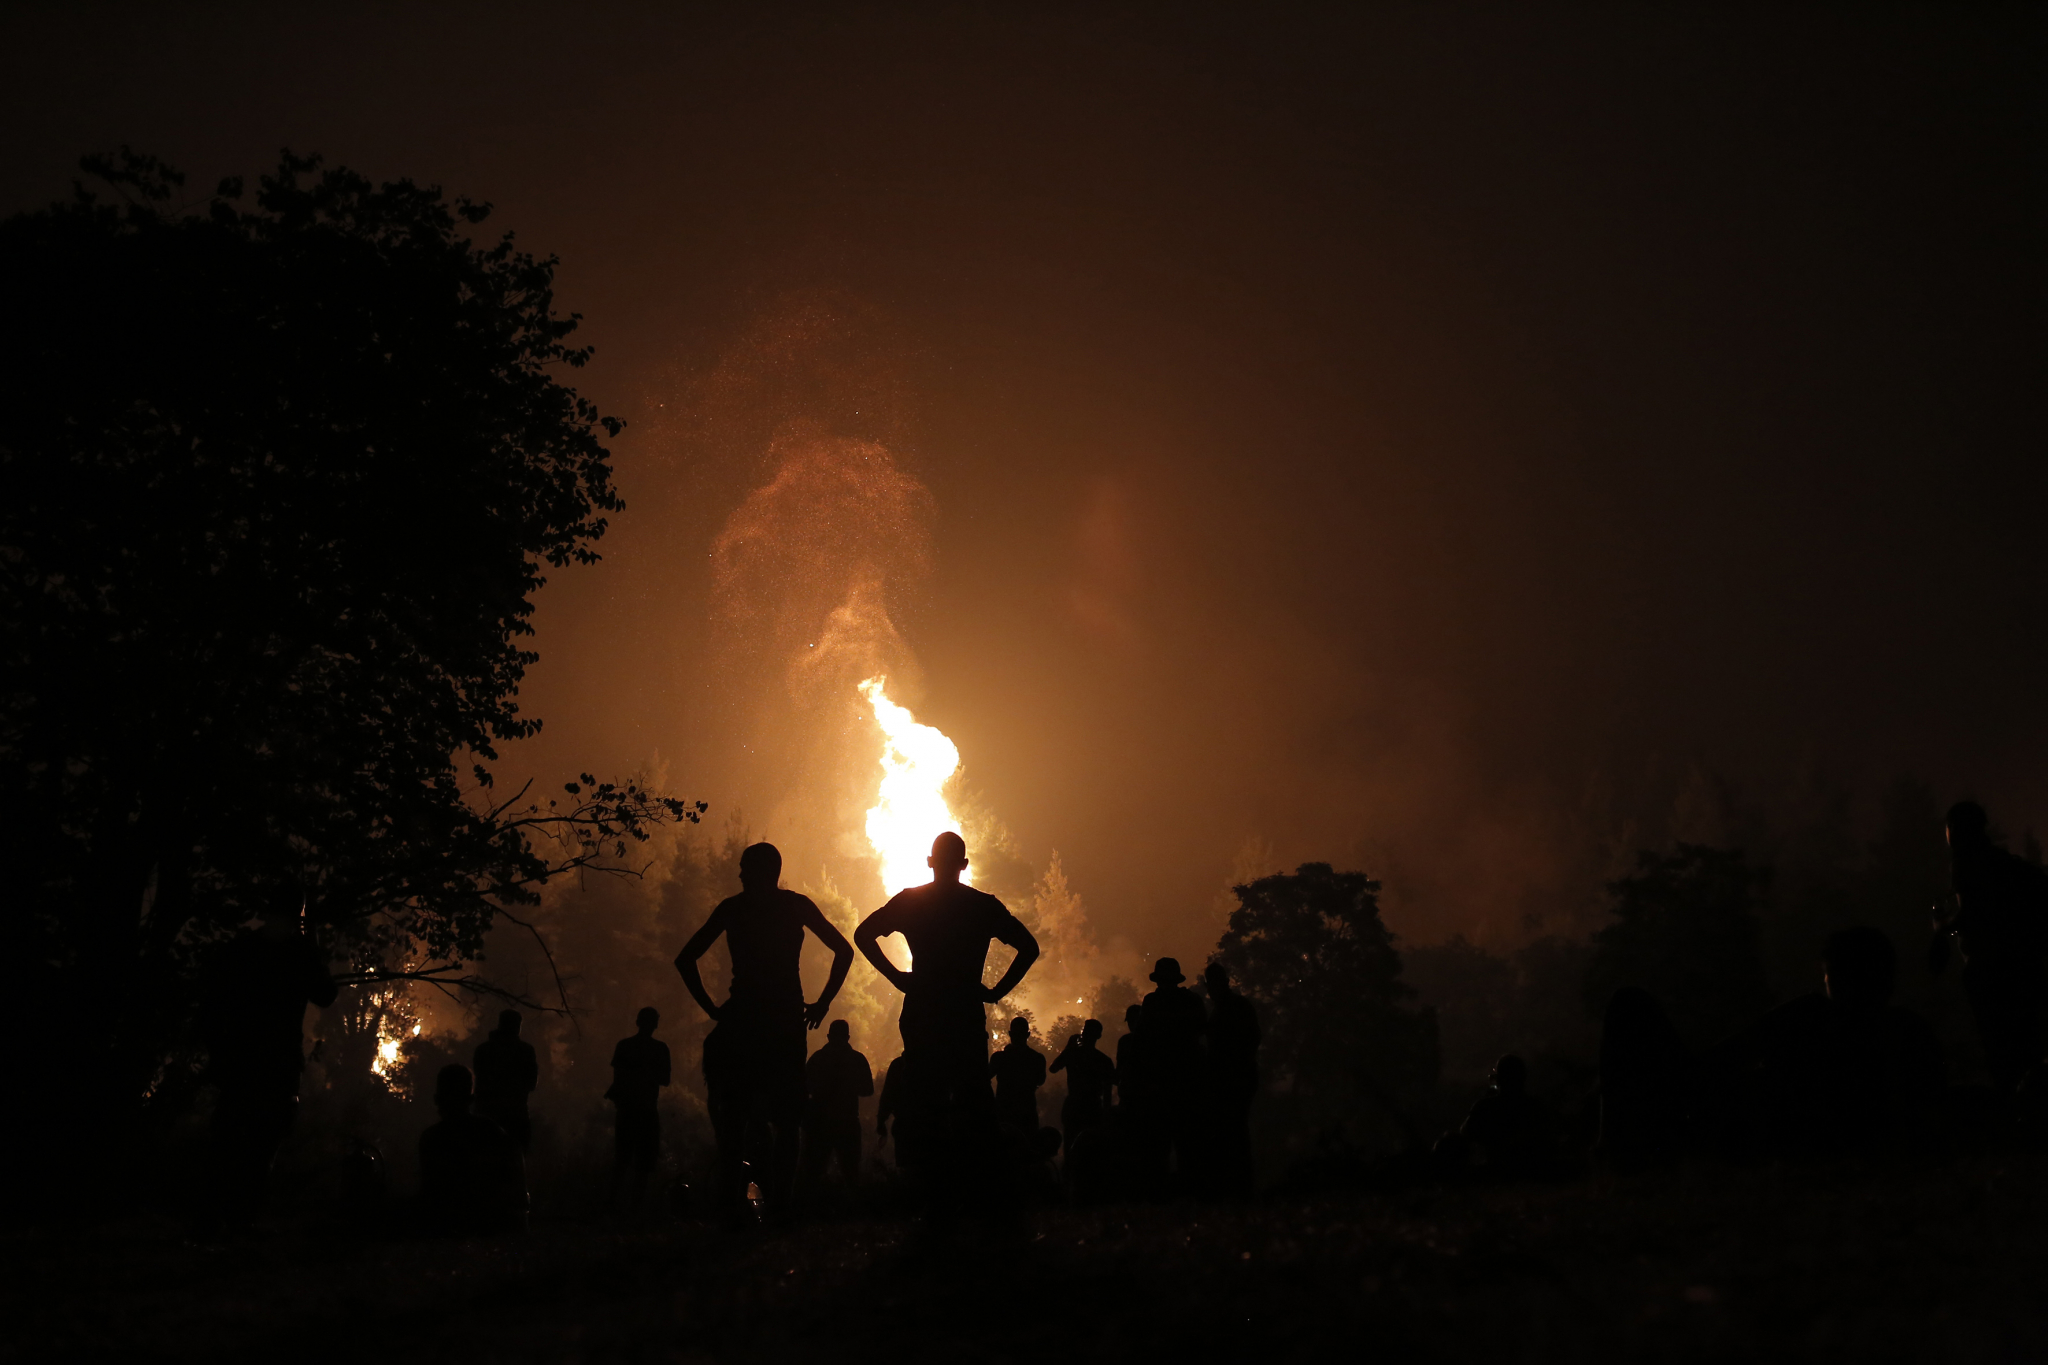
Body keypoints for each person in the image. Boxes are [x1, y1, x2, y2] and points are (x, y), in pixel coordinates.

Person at [676, 841, 855, 1220]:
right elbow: (844, 950)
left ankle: (734, 1204)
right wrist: (821, 1003)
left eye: (744, 868)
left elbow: (685, 958)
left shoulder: (734, 909)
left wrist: (713, 1010)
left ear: (761, 871)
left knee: (736, 1116)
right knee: (785, 1119)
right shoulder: (795, 906)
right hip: (785, 1021)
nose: (739, 874)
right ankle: (781, 1205)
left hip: (744, 1021)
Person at [853, 831, 1039, 1195]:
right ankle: (981, 1186)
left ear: (929, 862)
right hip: (964, 1011)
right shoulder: (983, 906)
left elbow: (863, 934)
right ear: (964, 865)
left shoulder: (911, 902)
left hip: (922, 1009)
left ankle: (924, 1188)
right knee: (974, 1096)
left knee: (922, 1096)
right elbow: (1029, 947)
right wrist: (996, 991)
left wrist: (897, 978)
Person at [1720, 926, 1944, 1156]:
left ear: (1835, 976)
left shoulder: (1807, 1018)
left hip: (1814, 1152)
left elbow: (1730, 1053)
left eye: (1829, 973)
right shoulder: (1912, 1030)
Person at [197, 899, 338, 1226]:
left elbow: (212, 1003)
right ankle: (235, 1220)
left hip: (243, 1060)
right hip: (273, 1062)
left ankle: (217, 1220)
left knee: (232, 1142)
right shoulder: (297, 953)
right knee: (259, 1144)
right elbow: (326, 994)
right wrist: (312, 947)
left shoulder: (243, 949)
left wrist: (218, 1053)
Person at [1932, 801, 2048, 1092]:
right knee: (2025, 1041)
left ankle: (2014, 1108)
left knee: (1999, 1045)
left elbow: (1972, 913)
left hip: (1990, 968)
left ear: (1954, 829)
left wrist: (1942, 926)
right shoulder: (2001, 863)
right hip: (2023, 966)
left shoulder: (1966, 862)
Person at [419, 1064, 527, 1234]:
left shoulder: (432, 1139)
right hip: (492, 1226)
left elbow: (430, 1194)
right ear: (471, 1099)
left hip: (449, 1227)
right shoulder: (494, 1133)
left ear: (437, 1100)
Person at [1596, 986, 1694, 1169]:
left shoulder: (1617, 1059)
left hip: (1638, 1143)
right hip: (1670, 1134)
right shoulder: (1665, 1050)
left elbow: (1609, 1094)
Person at [1140, 957, 1207, 1189]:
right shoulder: (1190, 1001)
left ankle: (1161, 1191)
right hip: (1186, 1080)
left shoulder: (1152, 1002)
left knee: (1161, 1142)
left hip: (1163, 1080)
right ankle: (1189, 1188)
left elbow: (1144, 1043)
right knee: (1186, 1140)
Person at [1202, 961, 1261, 1195]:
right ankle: (1237, 1187)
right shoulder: (1232, 1006)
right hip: (1235, 1078)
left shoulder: (1231, 1008)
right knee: (1233, 1133)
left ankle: (1237, 1188)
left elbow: (1249, 1040)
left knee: (1232, 1132)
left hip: (1233, 1079)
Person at [800, 1019, 874, 1194]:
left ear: (828, 1036)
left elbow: (804, 1087)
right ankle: (850, 1209)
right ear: (848, 1037)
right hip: (847, 1120)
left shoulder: (817, 1059)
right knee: (850, 1173)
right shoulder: (857, 1059)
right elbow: (867, 1090)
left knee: (813, 1172)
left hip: (820, 1122)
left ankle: (812, 1209)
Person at [607, 1007, 671, 1203]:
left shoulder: (624, 1046)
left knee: (623, 1161)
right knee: (643, 1164)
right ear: (656, 1024)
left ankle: (613, 1204)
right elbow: (665, 1079)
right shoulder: (660, 1049)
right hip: (646, 1110)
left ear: (637, 1022)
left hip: (627, 1110)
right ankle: (635, 1206)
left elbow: (618, 1079)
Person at [472, 1010, 539, 1151]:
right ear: (518, 1027)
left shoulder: (483, 1050)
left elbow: (479, 1080)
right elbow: (531, 1084)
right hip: (516, 1118)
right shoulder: (525, 1052)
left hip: (486, 1116)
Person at [1050, 1019, 1116, 1141]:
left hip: (1075, 1107)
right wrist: (1105, 1115)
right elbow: (1108, 1092)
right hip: (1093, 1109)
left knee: (1071, 1144)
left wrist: (1068, 1048)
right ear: (1099, 1036)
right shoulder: (1103, 1060)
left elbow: (1053, 1068)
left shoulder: (1072, 1053)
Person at [988, 1016, 1048, 1135]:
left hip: (1004, 1111)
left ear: (1010, 1034)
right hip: (1027, 1111)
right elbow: (1040, 1080)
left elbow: (984, 1076)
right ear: (1028, 1035)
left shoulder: (1000, 1058)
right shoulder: (1036, 1058)